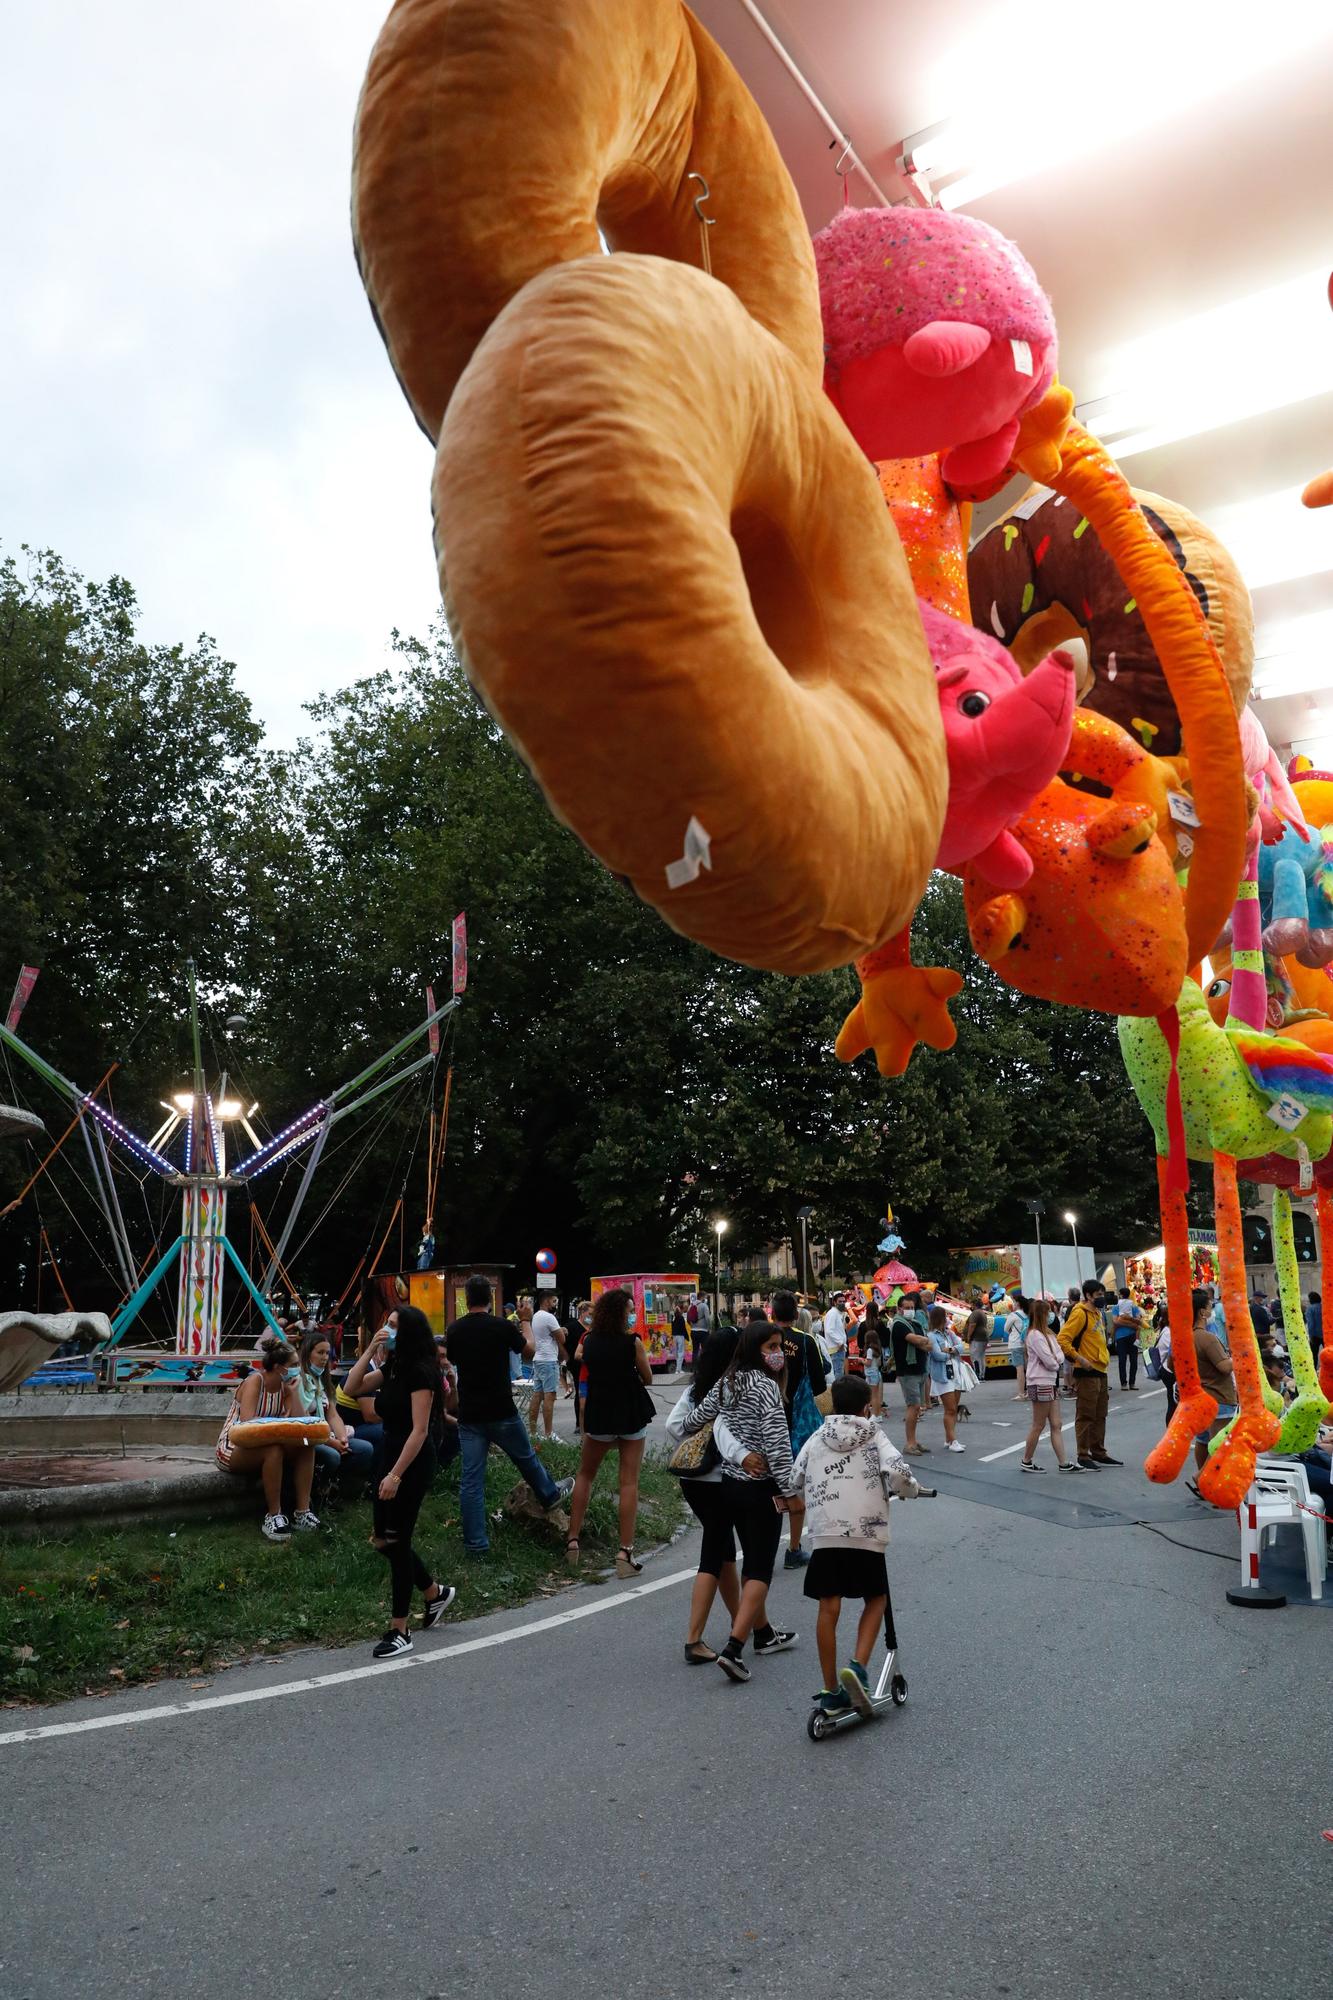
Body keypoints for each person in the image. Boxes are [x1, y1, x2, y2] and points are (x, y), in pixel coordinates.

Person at [790, 1373, 933, 1717]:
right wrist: (910, 1491)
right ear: (866, 1406)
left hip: (826, 1535)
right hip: (866, 1534)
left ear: (834, 1405)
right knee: (876, 1598)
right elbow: (899, 1475)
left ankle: (829, 1689)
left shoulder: (817, 1436)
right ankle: (858, 1666)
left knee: (829, 1606)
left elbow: (795, 1478)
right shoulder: (874, 1434)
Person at [680, 1320, 800, 1682]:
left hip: (730, 1486)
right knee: (760, 1569)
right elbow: (778, 1448)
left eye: (779, 1346)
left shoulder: (728, 1381)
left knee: (747, 1564)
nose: (778, 1353)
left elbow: (692, 1421)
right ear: (754, 1351)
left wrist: (729, 1438)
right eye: (771, 1347)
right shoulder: (766, 1388)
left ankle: (763, 1635)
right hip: (762, 1489)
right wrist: (791, 1493)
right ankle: (734, 1648)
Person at [344, 1305, 457, 1656]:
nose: (386, 1328)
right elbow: (351, 1387)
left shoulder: (422, 1373)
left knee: (397, 1538)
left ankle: (400, 1629)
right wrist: (369, 1350)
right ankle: (434, 1592)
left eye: (392, 1325)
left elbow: (421, 1430)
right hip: (390, 1455)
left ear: (406, 1331)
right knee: (382, 1541)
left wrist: (396, 1474)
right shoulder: (393, 1366)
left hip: (411, 1461)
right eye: (385, 1323)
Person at [445, 1275, 569, 1557]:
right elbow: (529, 1352)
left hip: (470, 1413)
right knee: (525, 1458)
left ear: (466, 1299)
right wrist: (525, 1321)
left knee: (471, 1479)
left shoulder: (455, 1330)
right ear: (490, 1298)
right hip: (500, 1408)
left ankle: (476, 1545)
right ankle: (549, 1494)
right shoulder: (501, 1326)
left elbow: (452, 1359)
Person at [665, 1327, 745, 1663]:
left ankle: (744, 1623)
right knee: (713, 1555)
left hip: (692, 1479)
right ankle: (693, 1640)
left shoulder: (697, 1389)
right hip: (720, 1481)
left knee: (724, 1551)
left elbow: (673, 1426)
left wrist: (697, 1434)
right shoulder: (735, 1388)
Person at [565, 1287, 657, 1577]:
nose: (632, 1316)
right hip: (630, 1411)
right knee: (628, 1481)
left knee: (585, 1473)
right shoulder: (633, 1343)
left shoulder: (589, 1341)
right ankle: (625, 1552)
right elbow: (648, 1377)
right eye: (630, 1311)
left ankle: (572, 1541)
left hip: (599, 1412)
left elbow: (587, 1365)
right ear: (621, 1313)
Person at [216, 1333, 319, 1539]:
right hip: (234, 1446)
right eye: (294, 1364)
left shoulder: (286, 1387)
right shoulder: (255, 1381)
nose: (297, 1368)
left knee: (307, 1444)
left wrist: (294, 1394)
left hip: (270, 1443)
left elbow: (302, 1425)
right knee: (274, 1450)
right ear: (280, 1367)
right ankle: (273, 1515)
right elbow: (247, 1424)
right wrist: (279, 1430)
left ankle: (302, 1512)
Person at [771, 1290, 827, 1569]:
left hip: (764, 1421)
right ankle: (793, 1548)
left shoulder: (758, 1338)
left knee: (767, 1483)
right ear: (795, 1314)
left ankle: (763, 1545)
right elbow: (819, 1385)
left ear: (772, 1313)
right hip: (797, 1425)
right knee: (795, 1487)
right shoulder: (805, 1341)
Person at [295, 1329, 376, 1496]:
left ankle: (334, 1486)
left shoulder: (324, 1382)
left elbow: (333, 1415)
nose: (325, 1357)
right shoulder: (298, 1382)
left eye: (327, 1353)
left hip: (327, 1435)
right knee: (332, 1455)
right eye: (320, 1352)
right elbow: (304, 1422)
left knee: (365, 1449)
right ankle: (318, 1491)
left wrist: (343, 1439)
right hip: (307, 1438)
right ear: (307, 1354)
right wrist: (331, 1442)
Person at [1059, 1279, 1121, 1469]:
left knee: (1100, 1414)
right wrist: (1080, 1359)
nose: (1102, 1298)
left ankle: (1098, 1452)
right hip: (1087, 1371)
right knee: (1086, 1414)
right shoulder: (1080, 1313)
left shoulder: (1097, 1313)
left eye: (1103, 1295)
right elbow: (1063, 1339)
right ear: (1088, 1296)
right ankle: (1083, 1454)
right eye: (1098, 1295)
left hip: (1100, 1369)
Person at [1020, 1301, 1083, 1472]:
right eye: (1048, 1313)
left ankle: (1063, 1463)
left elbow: (1058, 1356)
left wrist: (1055, 1360)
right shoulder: (1034, 1335)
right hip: (1040, 1381)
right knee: (1038, 1425)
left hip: (1048, 1382)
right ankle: (1027, 1460)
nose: (1050, 1316)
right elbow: (1051, 1361)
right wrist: (1056, 1361)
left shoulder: (1047, 1334)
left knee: (1056, 1424)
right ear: (1042, 1315)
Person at [1188, 1289, 1238, 1495]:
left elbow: (1172, 1365)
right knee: (1219, 1444)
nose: (1212, 1311)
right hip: (1219, 1397)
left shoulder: (1184, 1337)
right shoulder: (1206, 1338)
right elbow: (1224, 1367)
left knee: (1203, 1441)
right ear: (1202, 1312)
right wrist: (1240, 1357)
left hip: (1199, 1398)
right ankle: (1203, 1479)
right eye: (1210, 1307)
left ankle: (1204, 1479)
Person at [890, 1296, 932, 1456]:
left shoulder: (915, 1323)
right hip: (908, 1371)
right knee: (912, 1406)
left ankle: (913, 1441)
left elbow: (929, 1346)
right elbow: (914, 1339)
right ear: (899, 1309)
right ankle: (909, 1443)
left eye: (911, 1307)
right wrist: (923, 1340)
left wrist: (923, 1341)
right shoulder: (899, 1324)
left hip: (920, 1369)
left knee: (917, 1408)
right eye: (906, 1307)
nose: (909, 1310)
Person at [527, 1291, 566, 1444]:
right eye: (554, 1301)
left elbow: (547, 1334)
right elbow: (561, 1339)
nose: (555, 1304)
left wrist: (558, 1331)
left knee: (537, 1395)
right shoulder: (550, 1317)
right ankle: (549, 1433)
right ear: (547, 1301)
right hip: (549, 1360)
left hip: (538, 1359)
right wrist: (561, 1331)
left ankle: (533, 1432)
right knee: (550, 1396)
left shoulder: (536, 1316)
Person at [926, 1306, 966, 1452]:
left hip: (954, 1373)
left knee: (953, 1409)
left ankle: (949, 1439)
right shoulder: (931, 1336)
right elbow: (937, 1355)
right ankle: (953, 1440)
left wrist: (949, 1350)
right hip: (943, 1375)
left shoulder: (948, 1333)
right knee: (950, 1409)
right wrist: (953, 1352)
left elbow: (961, 1347)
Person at [1111, 1287, 1143, 1389]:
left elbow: (1116, 1321)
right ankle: (1129, 1383)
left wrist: (1124, 1320)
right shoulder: (1134, 1306)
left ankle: (1125, 1384)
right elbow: (1137, 1321)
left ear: (1120, 1295)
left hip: (1121, 1336)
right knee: (1130, 1360)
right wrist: (1131, 1324)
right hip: (1131, 1335)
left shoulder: (1116, 1307)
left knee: (1124, 1360)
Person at [964, 1294, 990, 1386]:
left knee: (975, 1356)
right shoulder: (982, 1312)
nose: (970, 1306)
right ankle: (982, 1375)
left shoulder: (975, 1313)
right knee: (981, 1357)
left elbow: (972, 1325)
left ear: (974, 1305)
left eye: (971, 1304)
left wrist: (968, 1336)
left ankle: (978, 1375)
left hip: (977, 1337)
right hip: (983, 1336)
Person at [823, 1294, 848, 1380]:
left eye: (844, 1301)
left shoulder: (837, 1313)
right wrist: (840, 1342)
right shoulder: (833, 1313)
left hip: (838, 1347)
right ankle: (838, 1392)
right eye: (840, 1301)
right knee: (838, 1373)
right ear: (834, 1302)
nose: (842, 1303)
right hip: (836, 1348)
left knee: (838, 1372)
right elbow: (829, 1330)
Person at [670, 1299, 689, 1377]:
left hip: (674, 1336)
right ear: (681, 1310)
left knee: (676, 1353)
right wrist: (687, 1337)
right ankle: (679, 1369)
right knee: (681, 1352)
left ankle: (677, 1370)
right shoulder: (681, 1318)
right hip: (680, 1336)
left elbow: (672, 1327)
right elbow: (683, 1328)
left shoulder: (673, 1318)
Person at [1307, 1288, 1323, 1362]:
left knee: (1313, 1355)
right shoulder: (1324, 1306)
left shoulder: (1310, 1309)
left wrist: (1310, 1336)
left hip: (1315, 1336)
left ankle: (1314, 1371)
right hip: (1325, 1334)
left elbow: (1311, 1324)